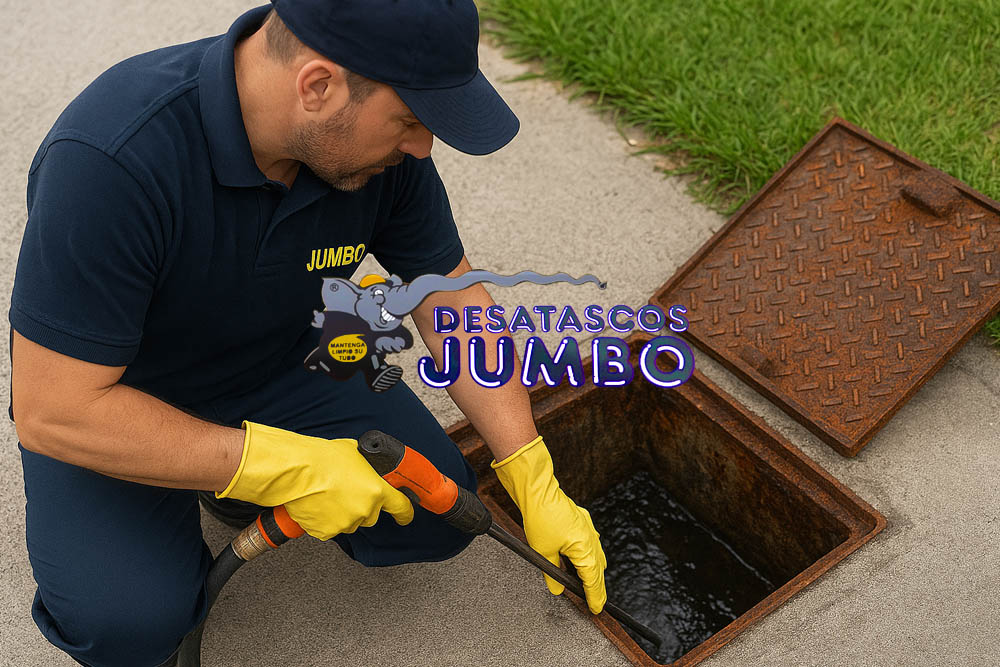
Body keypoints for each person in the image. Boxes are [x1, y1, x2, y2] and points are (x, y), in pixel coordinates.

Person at [8, 2, 607, 666]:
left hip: (276, 363)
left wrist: (529, 467)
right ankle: (219, 480)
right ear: (318, 86)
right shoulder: (112, 158)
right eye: (409, 121)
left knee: (437, 511)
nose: (420, 147)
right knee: (129, 620)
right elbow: (53, 408)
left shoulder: (380, 157)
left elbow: (451, 297)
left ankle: (230, 480)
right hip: (118, 399)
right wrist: (281, 466)